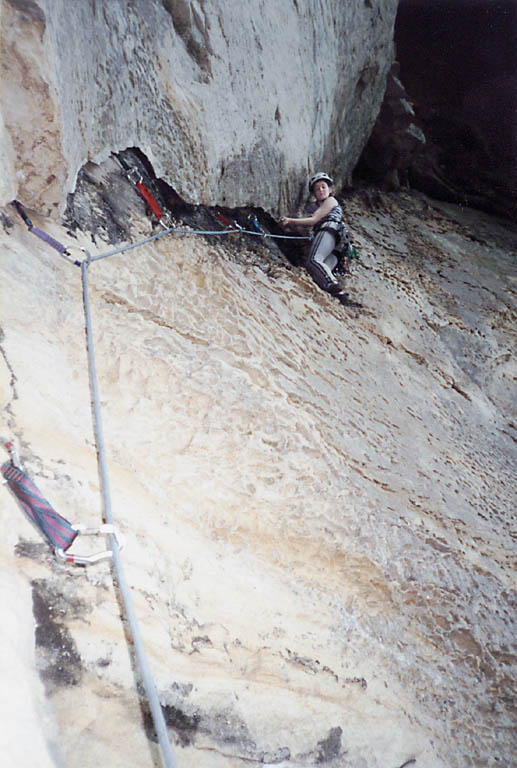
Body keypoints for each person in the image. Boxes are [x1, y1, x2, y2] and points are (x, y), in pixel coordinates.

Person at [280, 173, 349, 304]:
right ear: (314, 194)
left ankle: (333, 283)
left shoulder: (331, 201)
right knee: (319, 272)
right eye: (317, 189)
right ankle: (339, 295)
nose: (321, 190)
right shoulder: (321, 207)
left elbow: (314, 220)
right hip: (338, 242)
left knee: (313, 261)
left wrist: (290, 221)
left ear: (330, 189)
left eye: (323, 187)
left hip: (330, 229)